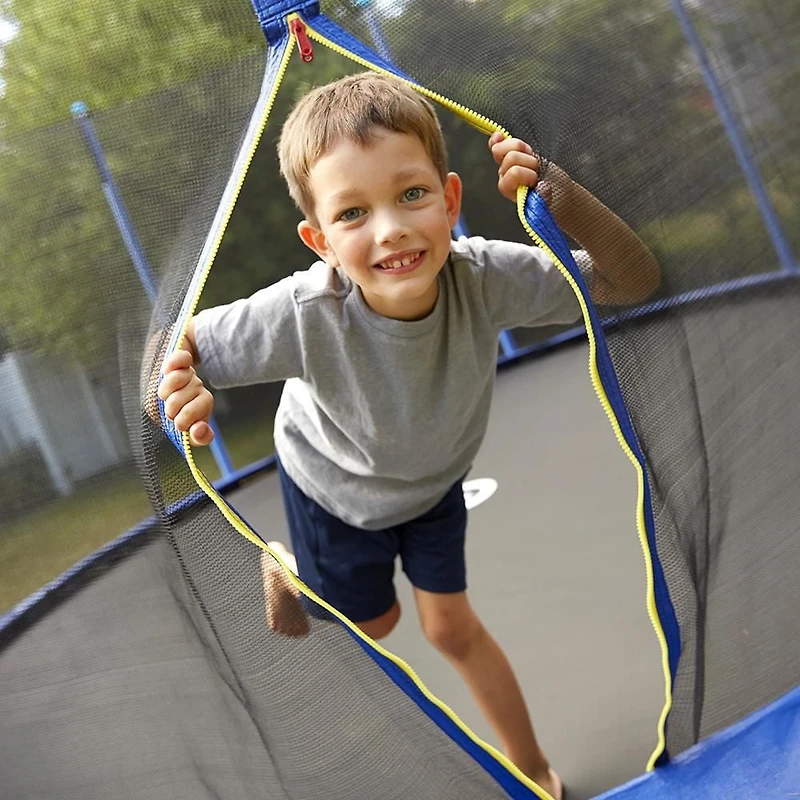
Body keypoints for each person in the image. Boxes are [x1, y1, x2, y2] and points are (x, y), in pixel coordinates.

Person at [156, 72, 660, 799]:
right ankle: (284, 564)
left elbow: (629, 281)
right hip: (334, 492)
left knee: (455, 629)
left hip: (431, 486)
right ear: (320, 240)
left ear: (450, 199)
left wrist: (562, 196)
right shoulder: (302, 310)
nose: (390, 228)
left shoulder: (483, 277)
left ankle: (537, 772)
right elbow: (168, 349)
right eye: (354, 213)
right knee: (379, 623)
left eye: (411, 195)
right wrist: (173, 390)